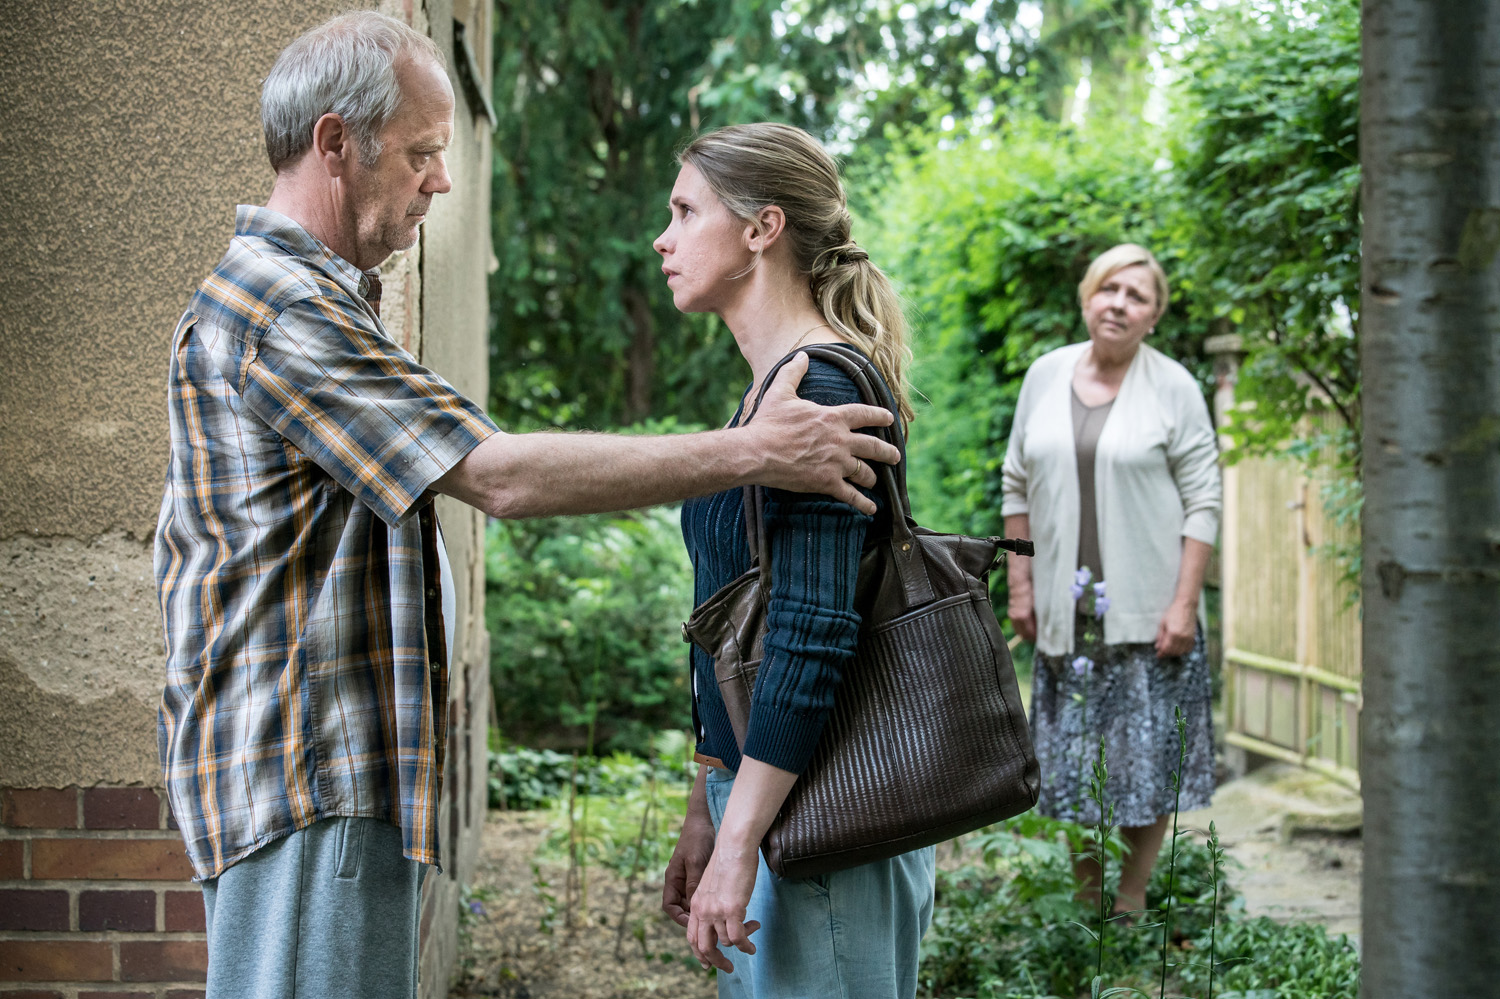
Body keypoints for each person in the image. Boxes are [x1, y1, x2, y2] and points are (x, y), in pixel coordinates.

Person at [155, 15, 900, 999]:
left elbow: (800, 625)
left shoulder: (316, 304)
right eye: (423, 153)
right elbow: (497, 475)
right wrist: (755, 452)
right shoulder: (287, 312)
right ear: (336, 144)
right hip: (307, 781)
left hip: (326, 783)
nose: (442, 180)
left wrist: (720, 818)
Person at [653, 122, 936, 999]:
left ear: (761, 228)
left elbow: (811, 635)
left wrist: (739, 847)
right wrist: (710, 800)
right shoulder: (770, 394)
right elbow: (733, 618)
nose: (663, 237)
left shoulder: (817, 386)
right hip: (776, 799)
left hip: (826, 818)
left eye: (686, 209)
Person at [1000, 243, 1221, 922]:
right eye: (1109, 289)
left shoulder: (1174, 386)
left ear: (1153, 316)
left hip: (1150, 613)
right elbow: (1016, 483)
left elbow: (1204, 497)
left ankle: (1127, 905)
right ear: (1088, 297)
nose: (1119, 304)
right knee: (1070, 765)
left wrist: (1184, 602)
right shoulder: (1045, 374)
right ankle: (1086, 902)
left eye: (1138, 296)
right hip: (1068, 615)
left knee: (1143, 763)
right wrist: (1021, 584)